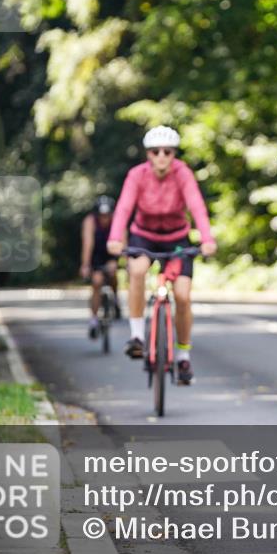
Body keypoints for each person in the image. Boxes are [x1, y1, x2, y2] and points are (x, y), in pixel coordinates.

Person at [106, 125, 217, 385]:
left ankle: (183, 356)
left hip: (177, 239)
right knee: (136, 271)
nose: (162, 156)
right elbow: (124, 207)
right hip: (143, 236)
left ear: (174, 154)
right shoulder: (137, 175)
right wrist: (115, 237)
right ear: (148, 154)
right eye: (155, 152)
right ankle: (137, 336)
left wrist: (207, 238)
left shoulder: (182, 173)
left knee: (182, 295)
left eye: (168, 151)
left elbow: (196, 206)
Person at [80, 195, 121, 338]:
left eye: (107, 215)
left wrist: (118, 260)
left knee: (113, 275)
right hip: (96, 255)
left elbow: (123, 241)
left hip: (112, 253)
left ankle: (115, 299)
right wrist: (85, 265)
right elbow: (87, 243)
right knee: (96, 282)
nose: (105, 219)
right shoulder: (90, 221)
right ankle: (94, 319)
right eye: (102, 215)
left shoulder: (117, 220)